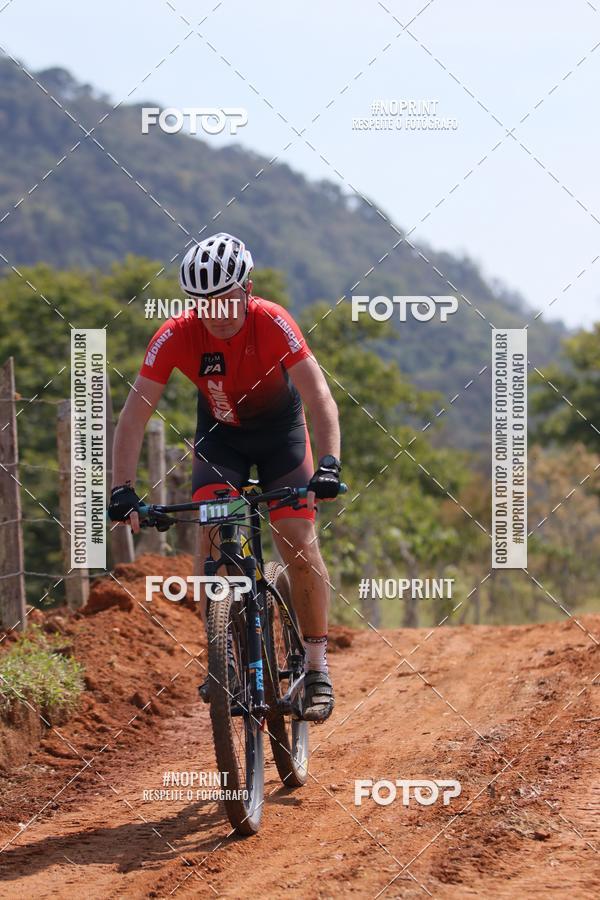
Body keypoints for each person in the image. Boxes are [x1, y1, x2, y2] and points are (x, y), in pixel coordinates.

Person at [108, 232, 342, 722]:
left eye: (226, 299)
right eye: (204, 302)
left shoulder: (273, 321)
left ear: (247, 288)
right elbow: (133, 416)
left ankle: (317, 668)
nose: (216, 312)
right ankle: (224, 656)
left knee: (297, 540)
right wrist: (122, 489)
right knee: (212, 535)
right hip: (222, 441)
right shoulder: (175, 335)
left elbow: (319, 397)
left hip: (281, 438)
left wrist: (328, 463)